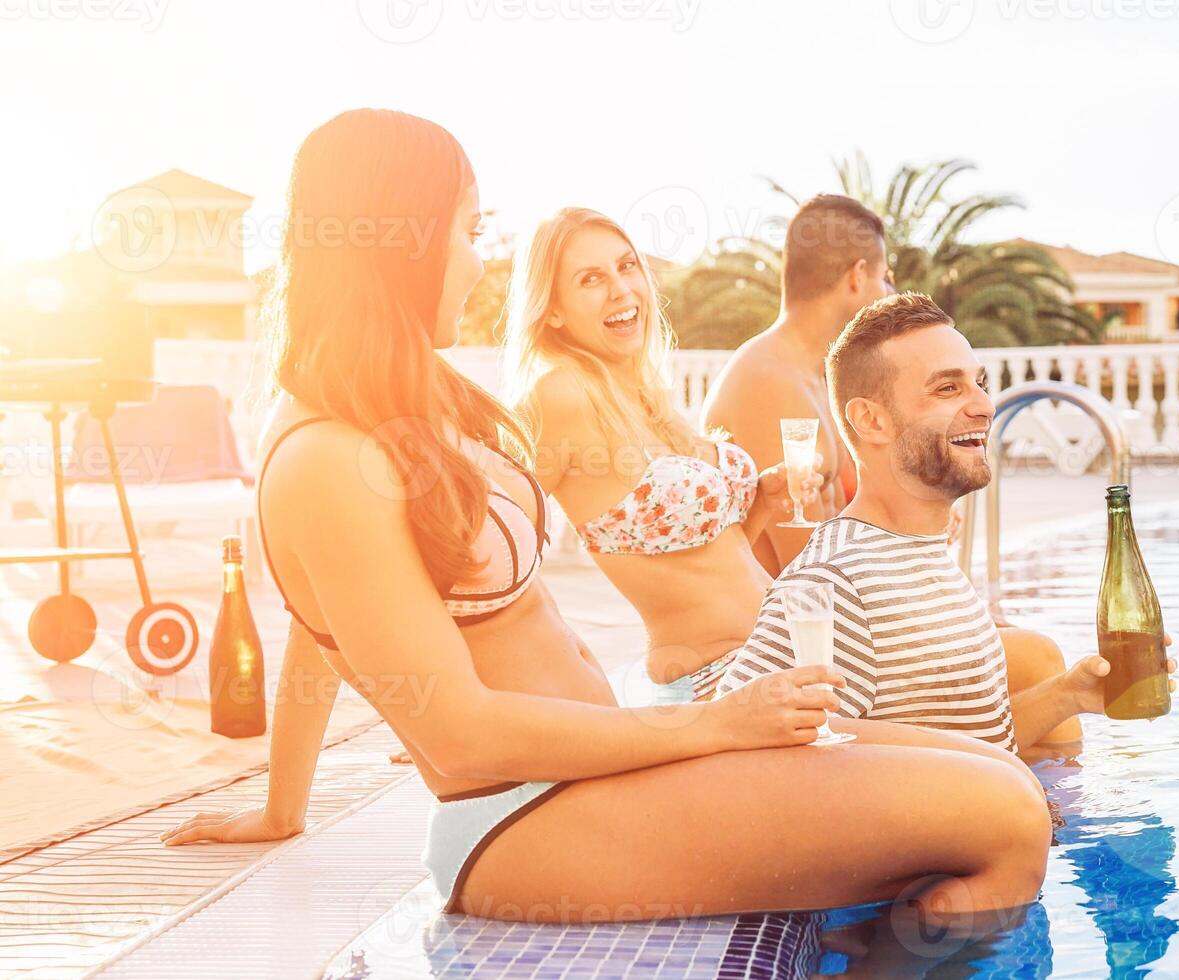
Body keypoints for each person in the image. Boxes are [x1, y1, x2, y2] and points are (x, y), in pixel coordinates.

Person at [161, 110, 1051, 934]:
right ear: (397, 239)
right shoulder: (324, 456)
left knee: (1008, 777)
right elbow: (454, 729)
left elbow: (344, 621)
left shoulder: (407, 406)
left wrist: (284, 809)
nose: (478, 264)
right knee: (1003, 821)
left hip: (607, 765)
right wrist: (715, 725)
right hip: (520, 816)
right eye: (467, 234)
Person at [717, 293, 1177, 757]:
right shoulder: (835, 582)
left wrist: (1069, 696)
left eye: (979, 383)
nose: (983, 406)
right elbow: (735, 755)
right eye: (948, 389)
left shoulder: (914, 551)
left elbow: (962, 746)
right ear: (871, 420)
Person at [501, 208, 820, 702]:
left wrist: (765, 501)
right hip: (718, 683)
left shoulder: (647, 395)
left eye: (627, 266)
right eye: (591, 279)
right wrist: (501, 691)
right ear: (553, 309)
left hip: (777, 658)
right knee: (964, 769)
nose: (621, 289)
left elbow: (713, 556)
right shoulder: (560, 393)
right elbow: (490, 542)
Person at [701, 194, 891, 576]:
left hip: (826, 601)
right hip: (781, 622)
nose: (888, 292)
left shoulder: (810, 374)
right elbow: (805, 569)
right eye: (884, 276)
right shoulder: (768, 382)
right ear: (856, 276)